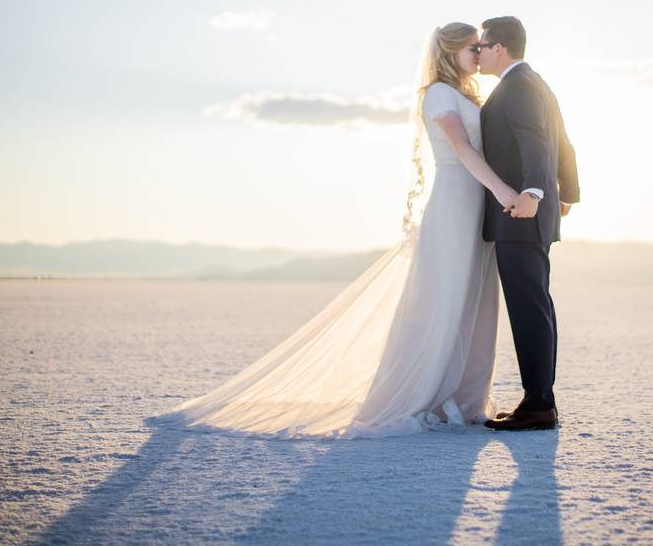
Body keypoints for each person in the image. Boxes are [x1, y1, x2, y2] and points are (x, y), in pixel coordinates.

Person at [148, 22, 520, 439]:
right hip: (455, 200)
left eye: (481, 46)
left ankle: (466, 399)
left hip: (479, 204)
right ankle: (420, 395)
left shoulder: (471, 94)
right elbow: (463, 150)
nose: (479, 52)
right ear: (450, 52)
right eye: (472, 47)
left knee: (475, 297)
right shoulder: (437, 93)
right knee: (442, 296)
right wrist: (505, 191)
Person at [475, 16, 581, 431]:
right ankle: (540, 401)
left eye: (483, 45)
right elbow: (565, 143)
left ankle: (539, 405)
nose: (479, 52)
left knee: (529, 310)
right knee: (538, 306)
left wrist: (535, 193)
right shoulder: (537, 82)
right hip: (532, 212)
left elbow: (537, 139)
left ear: (499, 47)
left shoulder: (517, 88)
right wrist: (566, 194)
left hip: (520, 213)